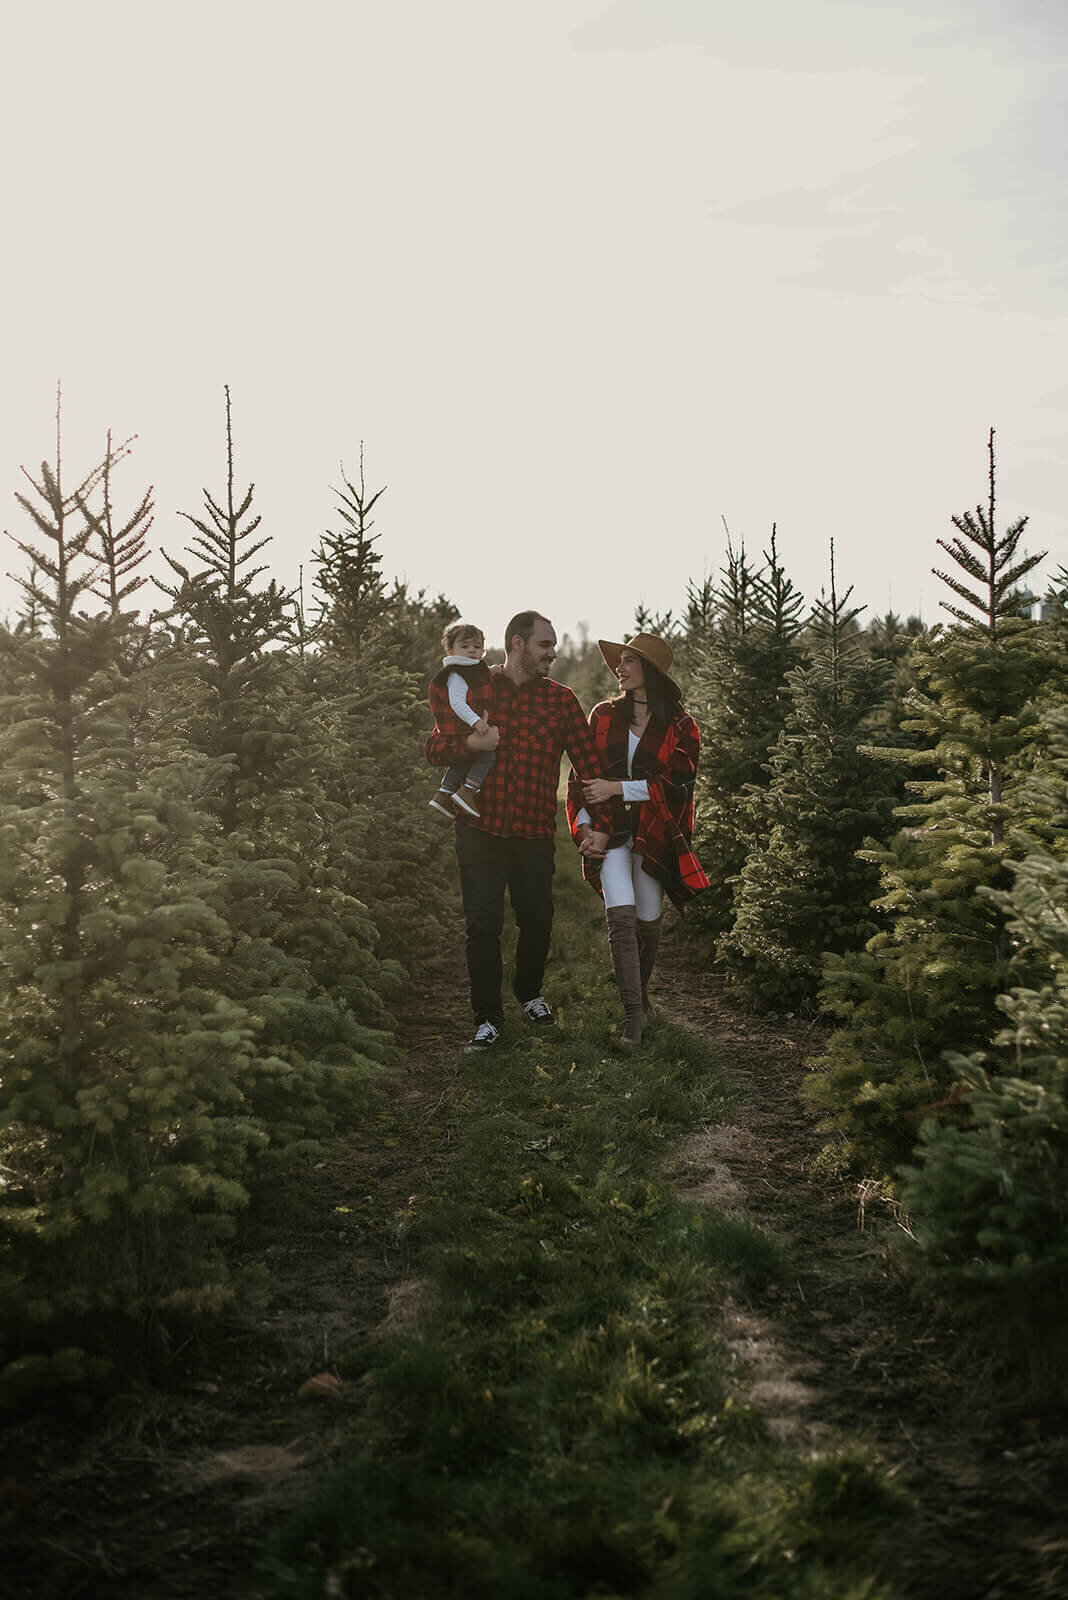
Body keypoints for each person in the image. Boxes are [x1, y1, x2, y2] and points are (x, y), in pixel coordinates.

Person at [425, 610, 615, 1054]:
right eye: (545, 645)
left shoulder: (562, 701)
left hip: (532, 831)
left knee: (537, 919)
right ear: (517, 645)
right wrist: (469, 744)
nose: (553, 653)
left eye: (553, 646)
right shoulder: (477, 688)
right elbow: (435, 747)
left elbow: (588, 767)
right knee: (483, 924)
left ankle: (529, 992)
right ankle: (487, 1019)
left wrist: (602, 826)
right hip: (479, 827)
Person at [566, 632, 709, 1048]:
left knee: (648, 922)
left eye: (630, 661)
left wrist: (618, 789)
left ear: (652, 671)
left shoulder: (682, 726)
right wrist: (586, 828)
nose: (620, 668)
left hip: (654, 833)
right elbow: (582, 778)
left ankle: (641, 1000)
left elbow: (678, 784)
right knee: (622, 917)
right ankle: (634, 1019)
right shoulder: (604, 715)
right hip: (610, 831)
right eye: (620, 660)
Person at [427, 620, 496, 820]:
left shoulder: (470, 670)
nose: (471, 651)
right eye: (464, 646)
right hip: (462, 725)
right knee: (487, 755)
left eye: (477, 647)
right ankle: (467, 791)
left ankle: (444, 793)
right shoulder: (456, 674)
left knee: (464, 759)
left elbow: (478, 679)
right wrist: (476, 722)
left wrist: (492, 671)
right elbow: (457, 702)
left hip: (464, 726)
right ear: (450, 651)